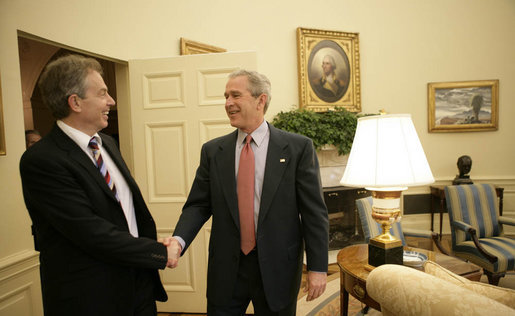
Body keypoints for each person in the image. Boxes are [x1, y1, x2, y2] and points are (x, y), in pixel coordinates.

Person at [19, 54, 180, 316]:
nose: (111, 101)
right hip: (91, 296)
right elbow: (90, 232)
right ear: (75, 102)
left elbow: (123, 211)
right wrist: (158, 252)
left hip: (138, 286)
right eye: (103, 93)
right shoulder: (42, 160)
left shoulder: (107, 143)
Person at [165, 70, 329, 315]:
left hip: (278, 268)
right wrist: (178, 240)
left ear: (260, 100)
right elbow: (198, 206)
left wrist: (318, 268)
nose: (227, 103)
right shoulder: (213, 151)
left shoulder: (297, 148)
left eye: (235, 95)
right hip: (227, 268)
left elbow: (314, 213)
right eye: (226, 96)